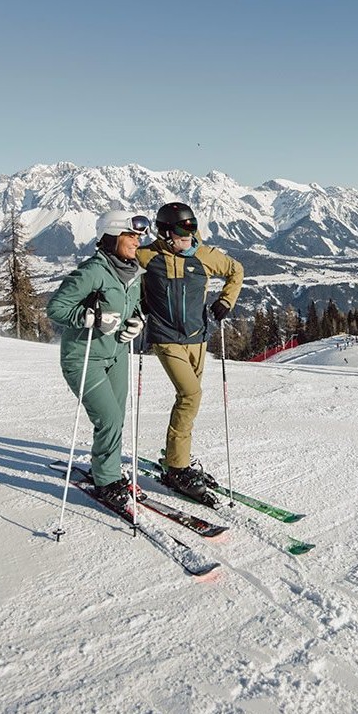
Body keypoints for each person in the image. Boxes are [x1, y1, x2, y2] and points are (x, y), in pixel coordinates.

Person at [136, 201, 244, 502]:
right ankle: (177, 467)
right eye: (183, 231)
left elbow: (237, 271)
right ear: (166, 233)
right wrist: (138, 301)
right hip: (165, 338)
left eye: (192, 228)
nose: (189, 236)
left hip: (198, 339)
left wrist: (226, 301)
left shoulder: (204, 255)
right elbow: (121, 267)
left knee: (188, 399)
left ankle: (177, 453)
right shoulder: (149, 256)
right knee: (190, 395)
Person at [46, 210, 150, 508]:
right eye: (131, 235)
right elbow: (56, 308)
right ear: (112, 237)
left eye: (139, 235)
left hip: (116, 354)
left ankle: (108, 470)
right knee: (109, 417)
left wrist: (137, 322)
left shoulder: (133, 272)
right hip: (84, 357)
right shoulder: (92, 271)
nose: (137, 241)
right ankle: (107, 481)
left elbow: (135, 307)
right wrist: (91, 317)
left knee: (116, 417)